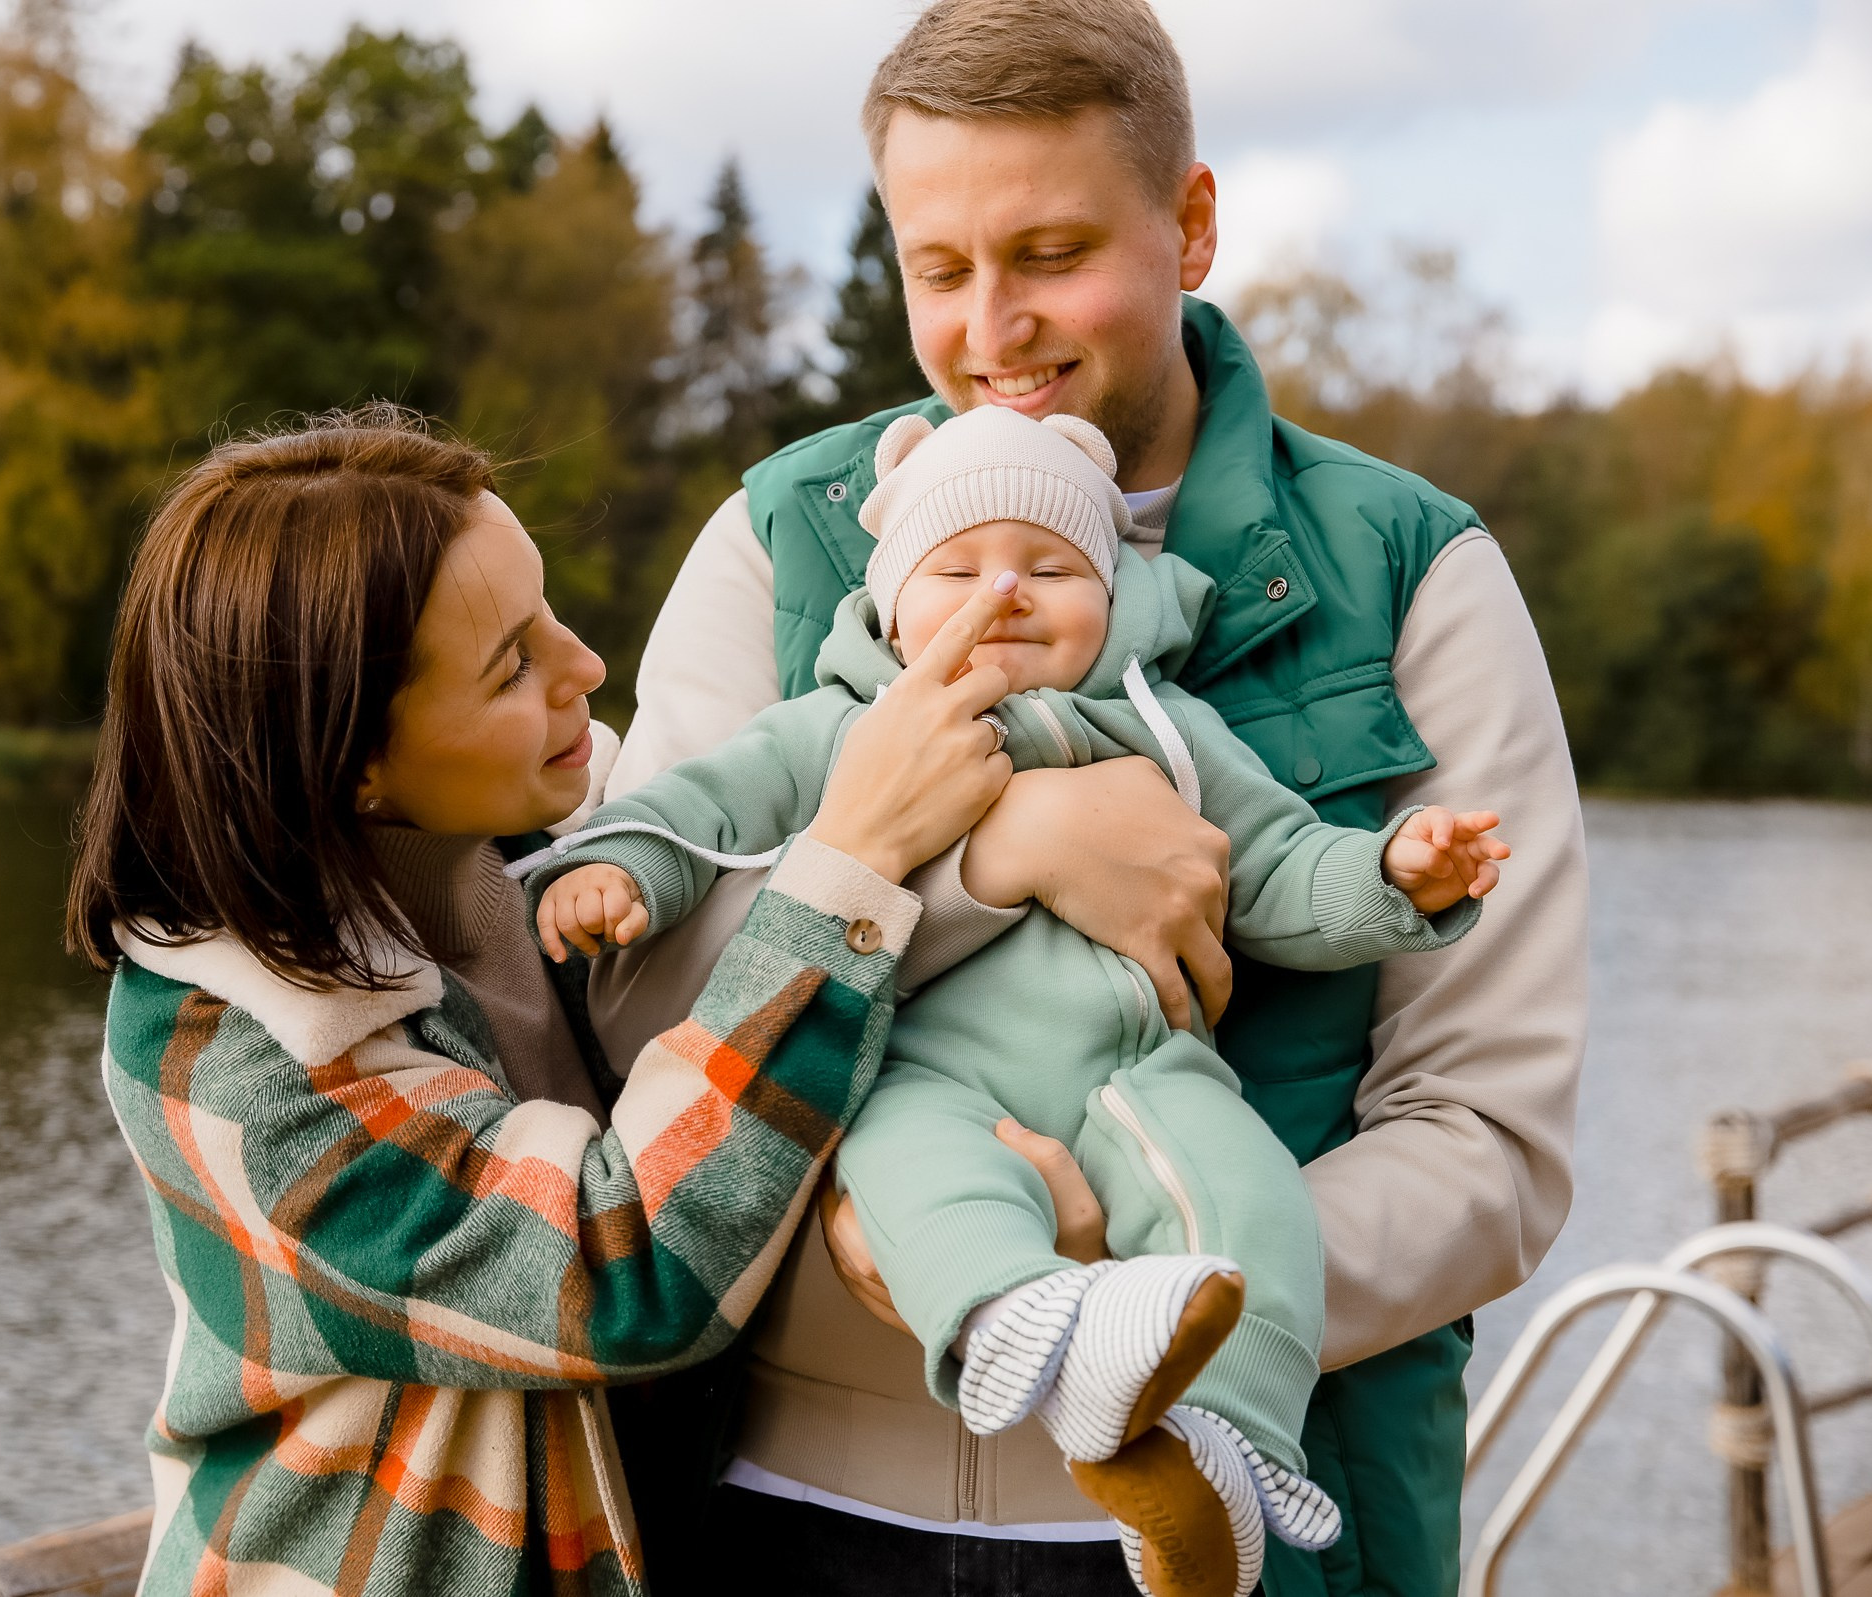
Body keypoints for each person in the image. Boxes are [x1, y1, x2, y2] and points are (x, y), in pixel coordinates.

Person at [590, 2, 1590, 1593]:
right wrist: (1000, 858)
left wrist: (1133, 1291)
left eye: (1050, 254)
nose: (994, 329)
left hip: (1244, 1529)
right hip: (790, 1515)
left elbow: (1487, 1143)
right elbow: (632, 1009)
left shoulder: (1413, 575)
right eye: (939, 268)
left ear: (1189, 224)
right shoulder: (778, 542)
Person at [530, 404, 1507, 1597]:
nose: (1006, 592)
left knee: (1251, 1212)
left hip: (1144, 1073)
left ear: (1113, 594)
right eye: (957, 567)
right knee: (917, 1185)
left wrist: (1394, 872)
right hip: (919, 1073)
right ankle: (1011, 1330)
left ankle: (1228, 1459)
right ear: (892, 602)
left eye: (1052, 566)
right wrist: (617, 869)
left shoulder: (1171, 738)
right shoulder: (839, 729)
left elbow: (1278, 872)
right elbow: (703, 816)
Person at [61, 409, 1037, 1597]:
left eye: (551, 613)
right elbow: (624, 1273)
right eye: (512, 663)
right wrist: (858, 858)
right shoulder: (238, 1057)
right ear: (353, 761)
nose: (584, 666)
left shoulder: (538, 853)